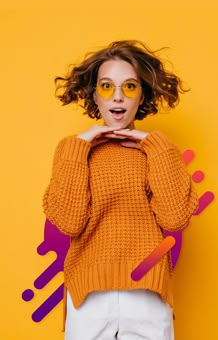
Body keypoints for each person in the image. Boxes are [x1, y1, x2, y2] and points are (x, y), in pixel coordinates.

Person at [42, 40, 198, 340]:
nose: (117, 97)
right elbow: (68, 221)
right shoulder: (74, 149)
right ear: (94, 95)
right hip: (88, 296)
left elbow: (176, 218)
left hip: (147, 293)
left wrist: (156, 144)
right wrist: (79, 146)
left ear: (142, 96)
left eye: (129, 87)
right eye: (106, 86)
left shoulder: (158, 151)